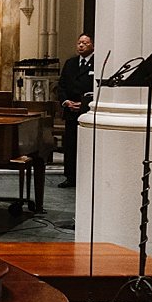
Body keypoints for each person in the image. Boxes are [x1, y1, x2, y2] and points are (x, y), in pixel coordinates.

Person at [55, 33, 94, 187]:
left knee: (86, 146)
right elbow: (62, 85)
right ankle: (70, 176)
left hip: (87, 111)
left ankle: (86, 177)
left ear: (92, 45)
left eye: (85, 43)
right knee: (70, 146)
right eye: (79, 43)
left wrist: (83, 104)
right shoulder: (70, 63)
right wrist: (66, 102)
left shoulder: (97, 64)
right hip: (71, 111)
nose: (81, 45)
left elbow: (96, 89)